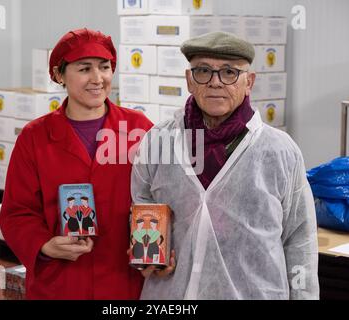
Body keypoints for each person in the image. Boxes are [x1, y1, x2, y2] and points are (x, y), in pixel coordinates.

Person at [131, 31, 319, 299]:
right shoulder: (158, 142)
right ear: (189, 80)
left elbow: (300, 241)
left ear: (249, 81)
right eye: (203, 71)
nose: (215, 82)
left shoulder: (279, 151)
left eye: (230, 72)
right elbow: (142, 207)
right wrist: (146, 257)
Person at [0, 28, 153, 299]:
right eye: (84, 69)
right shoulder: (35, 138)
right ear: (60, 75)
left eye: (104, 67)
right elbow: (16, 212)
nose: (98, 79)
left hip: (124, 281)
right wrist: (44, 246)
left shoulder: (139, 129)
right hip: (60, 283)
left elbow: (165, 198)